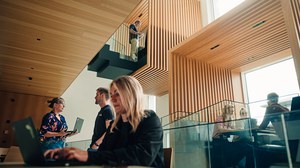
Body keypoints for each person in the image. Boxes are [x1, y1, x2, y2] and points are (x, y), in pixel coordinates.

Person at [44, 76, 164, 167]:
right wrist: (73, 156)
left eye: (117, 93)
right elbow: (103, 154)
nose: (113, 99)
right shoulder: (115, 125)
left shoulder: (150, 119)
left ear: (132, 94)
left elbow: (143, 156)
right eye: (111, 95)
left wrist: (88, 155)